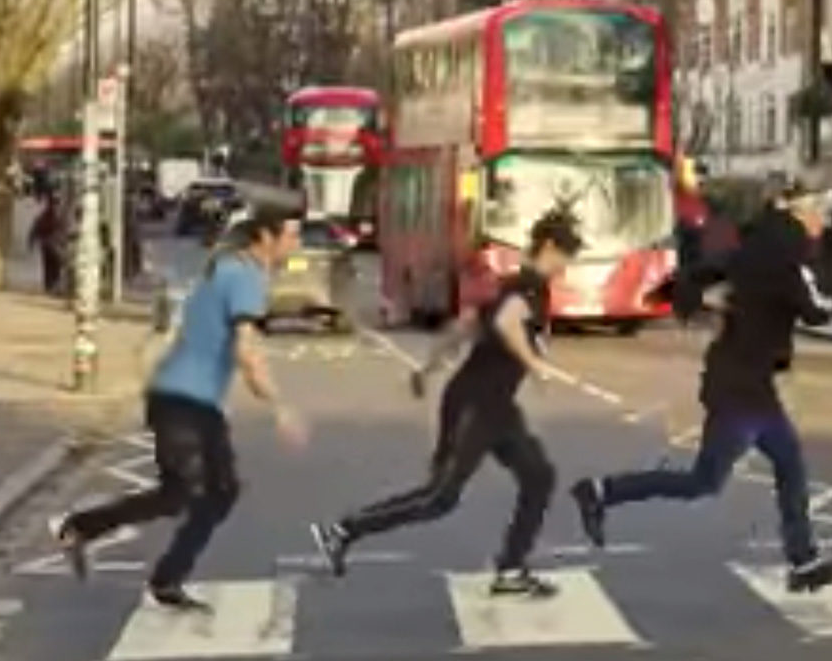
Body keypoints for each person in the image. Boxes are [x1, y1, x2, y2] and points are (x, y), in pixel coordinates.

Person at [566, 179, 832, 595]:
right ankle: (600, 491)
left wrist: (697, 297)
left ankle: (803, 561)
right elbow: (815, 315)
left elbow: (702, 272)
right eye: (820, 211)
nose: (823, 221)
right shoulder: (784, 261)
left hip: (743, 381)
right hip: (741, 389)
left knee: (786, 465)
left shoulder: (757, 249)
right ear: (800, 212)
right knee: (705, 483)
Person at [309, 209, 585, 598]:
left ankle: (511, 568)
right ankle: (343, 531)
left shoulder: (511, 285)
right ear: (550, 248)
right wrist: (535, 365)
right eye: (566, 257)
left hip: (497, 408)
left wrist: (427, 368)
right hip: (473, 404)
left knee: (539, 476)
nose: (566, 267)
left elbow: (462, 329)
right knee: (440, 497)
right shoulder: (526, 287)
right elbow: (507, 323)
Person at [49, 202, 309, 611]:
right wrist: (279, 407)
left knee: (219, 491)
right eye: (292, 235)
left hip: (195, 402)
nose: (297, 243)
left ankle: (167, 577)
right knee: (183, 493)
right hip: (181, 399)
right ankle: (82, 528)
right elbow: (246, 349)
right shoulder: (245, 277)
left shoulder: (230, 268)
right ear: (266, 237)